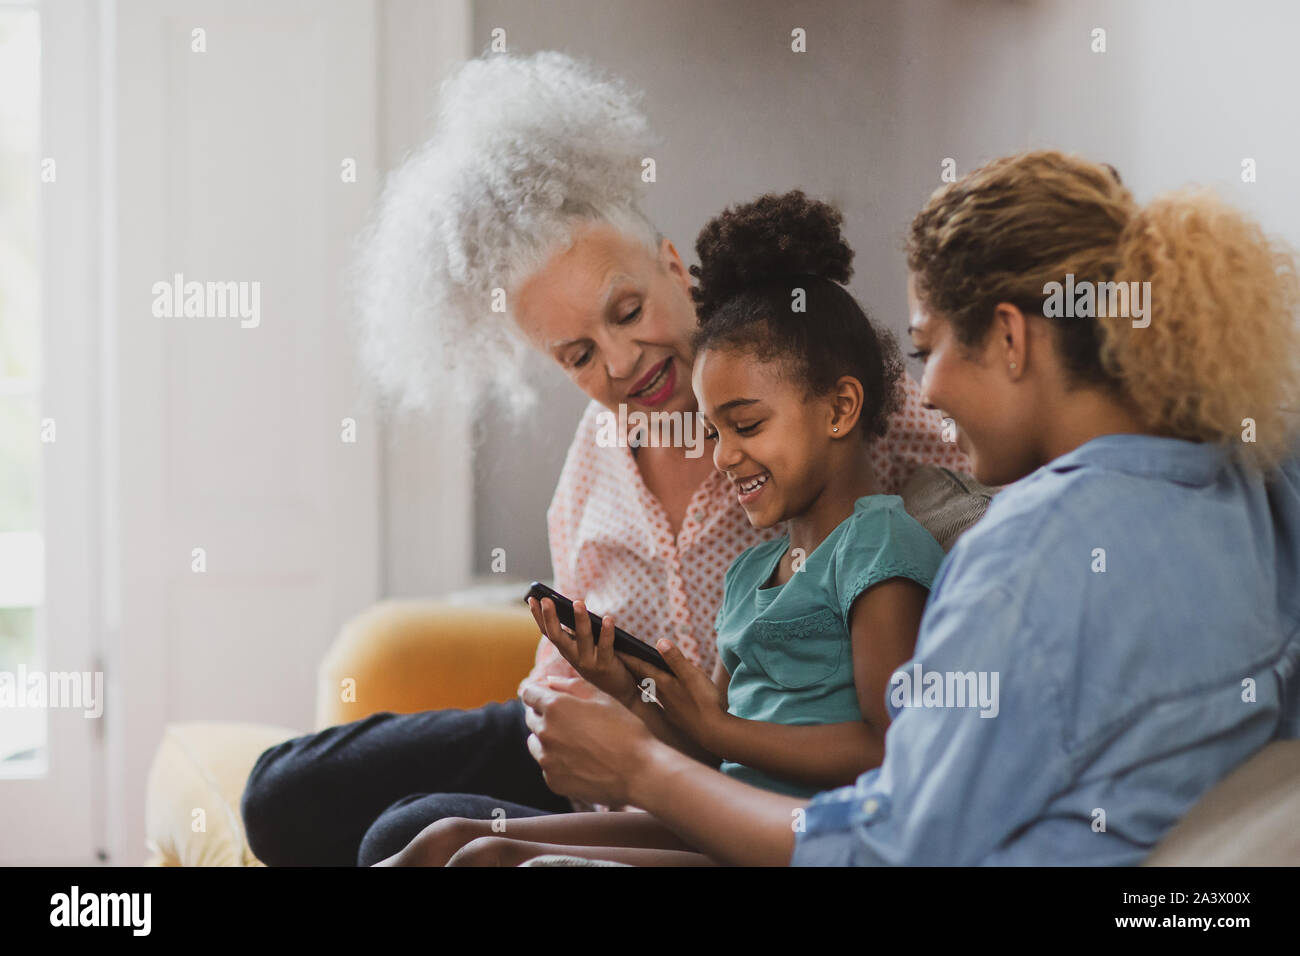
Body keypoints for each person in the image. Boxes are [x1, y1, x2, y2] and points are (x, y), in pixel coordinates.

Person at [239, 52, 967, 867]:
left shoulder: (821, 400)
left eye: (626, 311)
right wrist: (585, 694)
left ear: (673, 266)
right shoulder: (596, 452)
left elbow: (970, 479)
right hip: (579, 731)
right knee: (279, 793)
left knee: (407, 834)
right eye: (578, 355)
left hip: (686, 764)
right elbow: (569, 667)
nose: (618, 364)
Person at [516, 149, 1300, 866]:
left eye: (928, 349)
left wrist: (642, 771)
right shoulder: (1252, 479)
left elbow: (887, 848)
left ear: (1010, 339)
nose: (925, 390)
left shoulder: (1024, 562)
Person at [380, 191, 948, 866]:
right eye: (712, 431)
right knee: (437, 841)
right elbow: (706, 750)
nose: (721, 455)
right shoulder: (751, 575)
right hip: (704, 800)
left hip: (792, 830)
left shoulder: (878, 546)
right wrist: (626, 687)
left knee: (487, 857)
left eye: (746, 426)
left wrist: (718, 730)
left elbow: (892, 752)